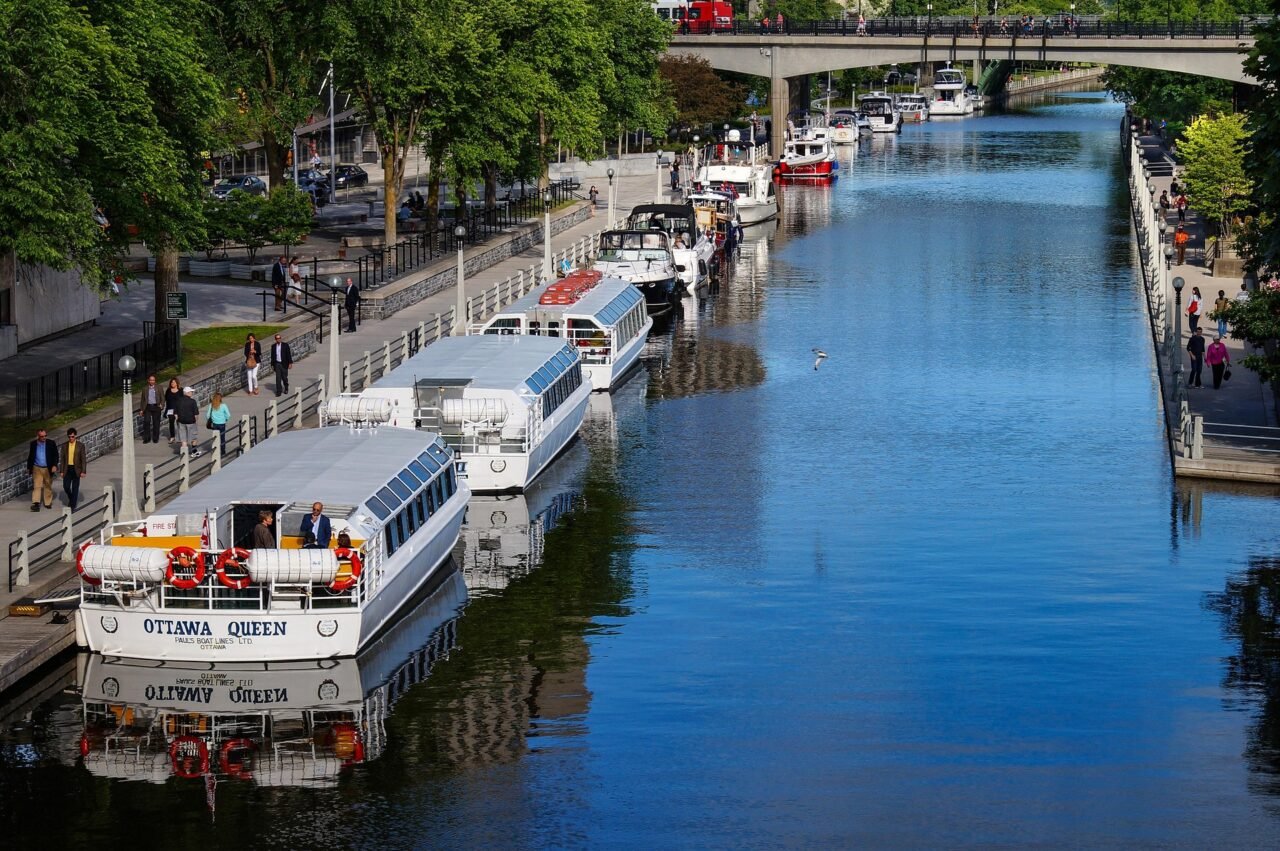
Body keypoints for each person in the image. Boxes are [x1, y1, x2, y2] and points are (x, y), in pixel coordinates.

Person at [26, 428, 59, 512]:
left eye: (45, 436)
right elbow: (31, 456)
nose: (44, 438)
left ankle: (47, 503)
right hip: (37, 467)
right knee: (37, 486)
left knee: (47, 485)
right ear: (38, 436)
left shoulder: (51, 443)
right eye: (42, 436)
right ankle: (36, 503)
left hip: (47, 468)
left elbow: (56, 455)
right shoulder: (33, 444)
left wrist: (54, 465)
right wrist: (29, 468)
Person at [62, 427, 86, 511]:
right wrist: (61, 471)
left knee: (75, 488)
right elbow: (63, 459)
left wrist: (83, 471)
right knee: (66, 486)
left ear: (75, 436)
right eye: (69, 437)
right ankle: (72, 498)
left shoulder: (80, 445)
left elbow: (83, 459)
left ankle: (72, 505)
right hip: (67, 469)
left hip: (77, 469)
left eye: (72, 436)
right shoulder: (65, 446)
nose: (71, 438)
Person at [176, 386, 200, 456]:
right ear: (187, 393)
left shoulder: (178, 401)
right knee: (194, 437)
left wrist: (178, 420)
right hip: (191, 422)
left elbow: (176, 414)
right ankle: (194, 451)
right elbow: (196, 414)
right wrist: (196, 422)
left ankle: (184, 454)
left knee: (183, 439)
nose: (192, 393)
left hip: (181, 421)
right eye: (191, 392)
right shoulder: (192, 401)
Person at [139, 373, 162, 444]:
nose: (152, 381)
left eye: (153, 380)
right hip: (148, 407)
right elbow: (142, 400)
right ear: (148, 381)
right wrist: (142, 409)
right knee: (146, 422)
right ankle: (147, 438)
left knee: (156, 423)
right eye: (151, 380)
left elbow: (162, 397)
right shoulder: (145, 389)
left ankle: (155, 438)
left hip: (156, 406)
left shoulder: (159, 387)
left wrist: (162, 405)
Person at [164, 377, 183, 444]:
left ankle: (180, 437)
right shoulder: (168, 390)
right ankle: (172, 437)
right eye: (171, 382)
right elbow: (166, 400)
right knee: (171, 423)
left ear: (177, 383)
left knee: (179, 424)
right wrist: (166, 410)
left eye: (174, 382)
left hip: (179, 410)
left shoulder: (181, 390)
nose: (172, 383)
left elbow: (183, 400)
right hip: (170, 410)